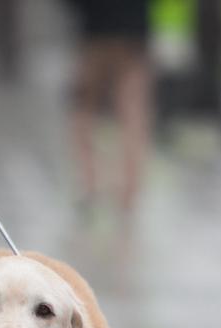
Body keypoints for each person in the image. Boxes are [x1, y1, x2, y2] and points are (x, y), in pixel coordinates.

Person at [67, 0, 153, 219]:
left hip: (94, 28)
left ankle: (90, 184)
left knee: (84, 109)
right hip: (134, 30)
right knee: (132, 110)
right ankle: (128, 192)